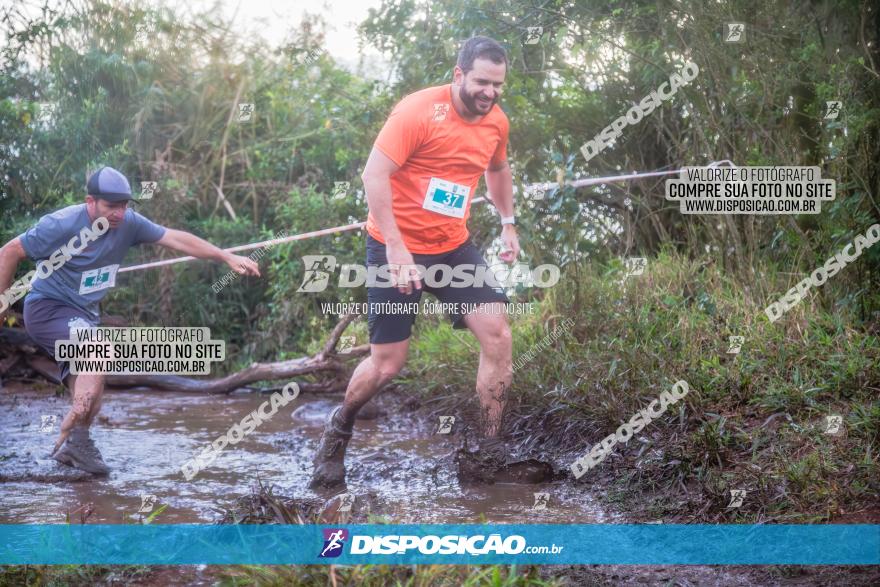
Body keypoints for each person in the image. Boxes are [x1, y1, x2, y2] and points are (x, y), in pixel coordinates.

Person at [310, 36, 546, 489]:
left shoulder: (496, 122)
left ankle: (488, 451)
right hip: (393, 246)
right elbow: (373, 175)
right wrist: (397, 250)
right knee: (387, 364)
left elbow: (497, 170)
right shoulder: (418, 112)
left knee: (497, 334)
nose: (489, 92)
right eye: (481, 81)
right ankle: (338, 430)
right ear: (458, 75)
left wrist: (508, 224)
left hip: (452, 247)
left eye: (497, 85)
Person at [0, 166, 260, 475]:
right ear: (90, 201)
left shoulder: (128, 222)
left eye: (124, 206)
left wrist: (226, 257)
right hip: (48, 309)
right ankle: (76, 434)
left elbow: (176, 238)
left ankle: (74, 447)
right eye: (111, 206)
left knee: (93, 386)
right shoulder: (60, 224)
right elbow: (10, 251)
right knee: (98, 352)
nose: (119, 214)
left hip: (84, 315)